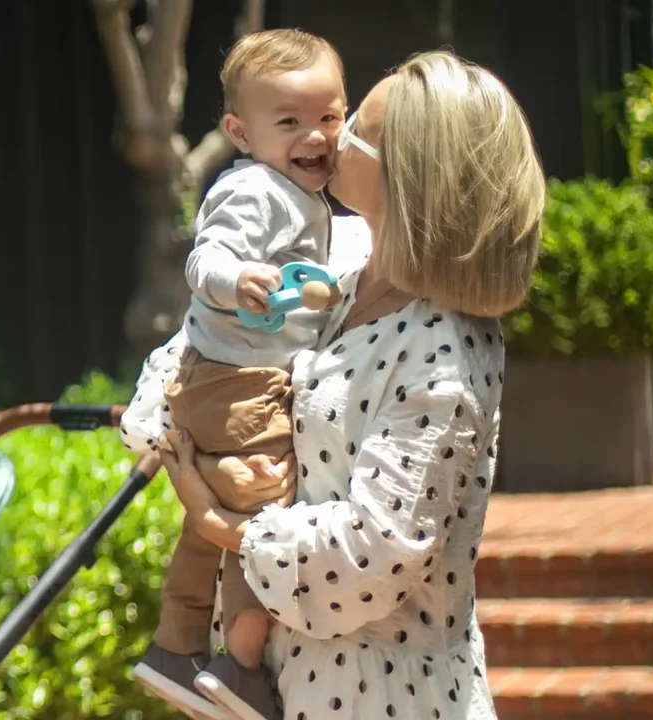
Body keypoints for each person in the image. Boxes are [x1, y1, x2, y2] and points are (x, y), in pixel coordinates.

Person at [163, 49, 545, 720]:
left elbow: (373, 555)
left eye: (355, 126)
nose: (332, 136)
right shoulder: (344, 277)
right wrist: (183, 437)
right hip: (294, 684)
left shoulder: (445, 348)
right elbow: (218, 349)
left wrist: (222, 524)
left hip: (388, 699)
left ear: (411, 175)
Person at [117, 28, 352, 720]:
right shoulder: (255, 187)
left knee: (208, 525)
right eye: (290, 123)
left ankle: (176, 645)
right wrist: (238, 277)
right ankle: (240, 666)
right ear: (239, 132)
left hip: (225, 379)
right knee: (260, 517)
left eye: (331, 117)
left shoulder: (297, 192)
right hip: (242, 386)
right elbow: (204, 258)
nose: (317, 136)